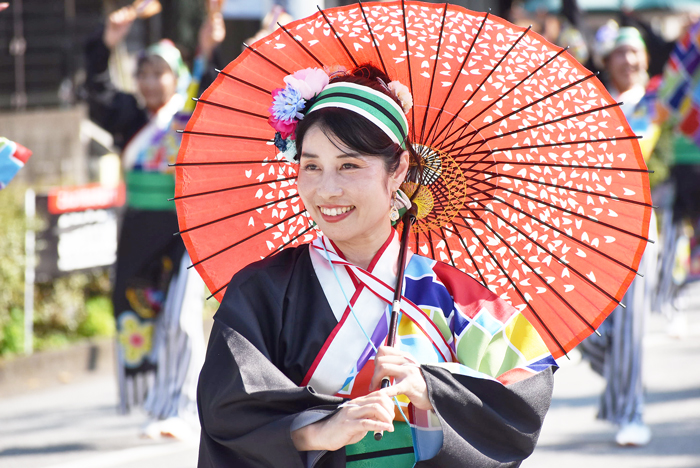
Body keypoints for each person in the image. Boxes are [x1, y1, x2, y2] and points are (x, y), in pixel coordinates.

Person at [197, 64, 558, 467]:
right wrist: (319, 430)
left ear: (399, 168)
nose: (326, 189)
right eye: (312, 165)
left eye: (349, 165)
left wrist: (433, 388)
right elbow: (227, 412)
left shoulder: (454, 297)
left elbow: (523, 392)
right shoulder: (262, 292)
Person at [84, 4, 224, 439]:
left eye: (159, 73)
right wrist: (106, 44)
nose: (148, 81)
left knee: (180, 319)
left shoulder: (190, 112)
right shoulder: (127, 115)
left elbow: (215, 90)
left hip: (184, 231)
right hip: (139, 231)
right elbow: (97, 89)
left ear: (177, 76)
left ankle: (180, 409)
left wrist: (209, 47)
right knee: (138, 315)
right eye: (142, 72)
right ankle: (155, 402)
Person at [579, 25, 658, 447]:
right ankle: (621, 382)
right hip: (593, 225)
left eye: (635, 52)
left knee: (629, 329)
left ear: (645, 58)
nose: (628, 60)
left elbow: (651, 155)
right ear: (607, 60)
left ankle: (631, 412)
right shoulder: (592, 105)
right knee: (581, 323)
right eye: (620, 53)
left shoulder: (660, 103)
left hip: (640, 224)